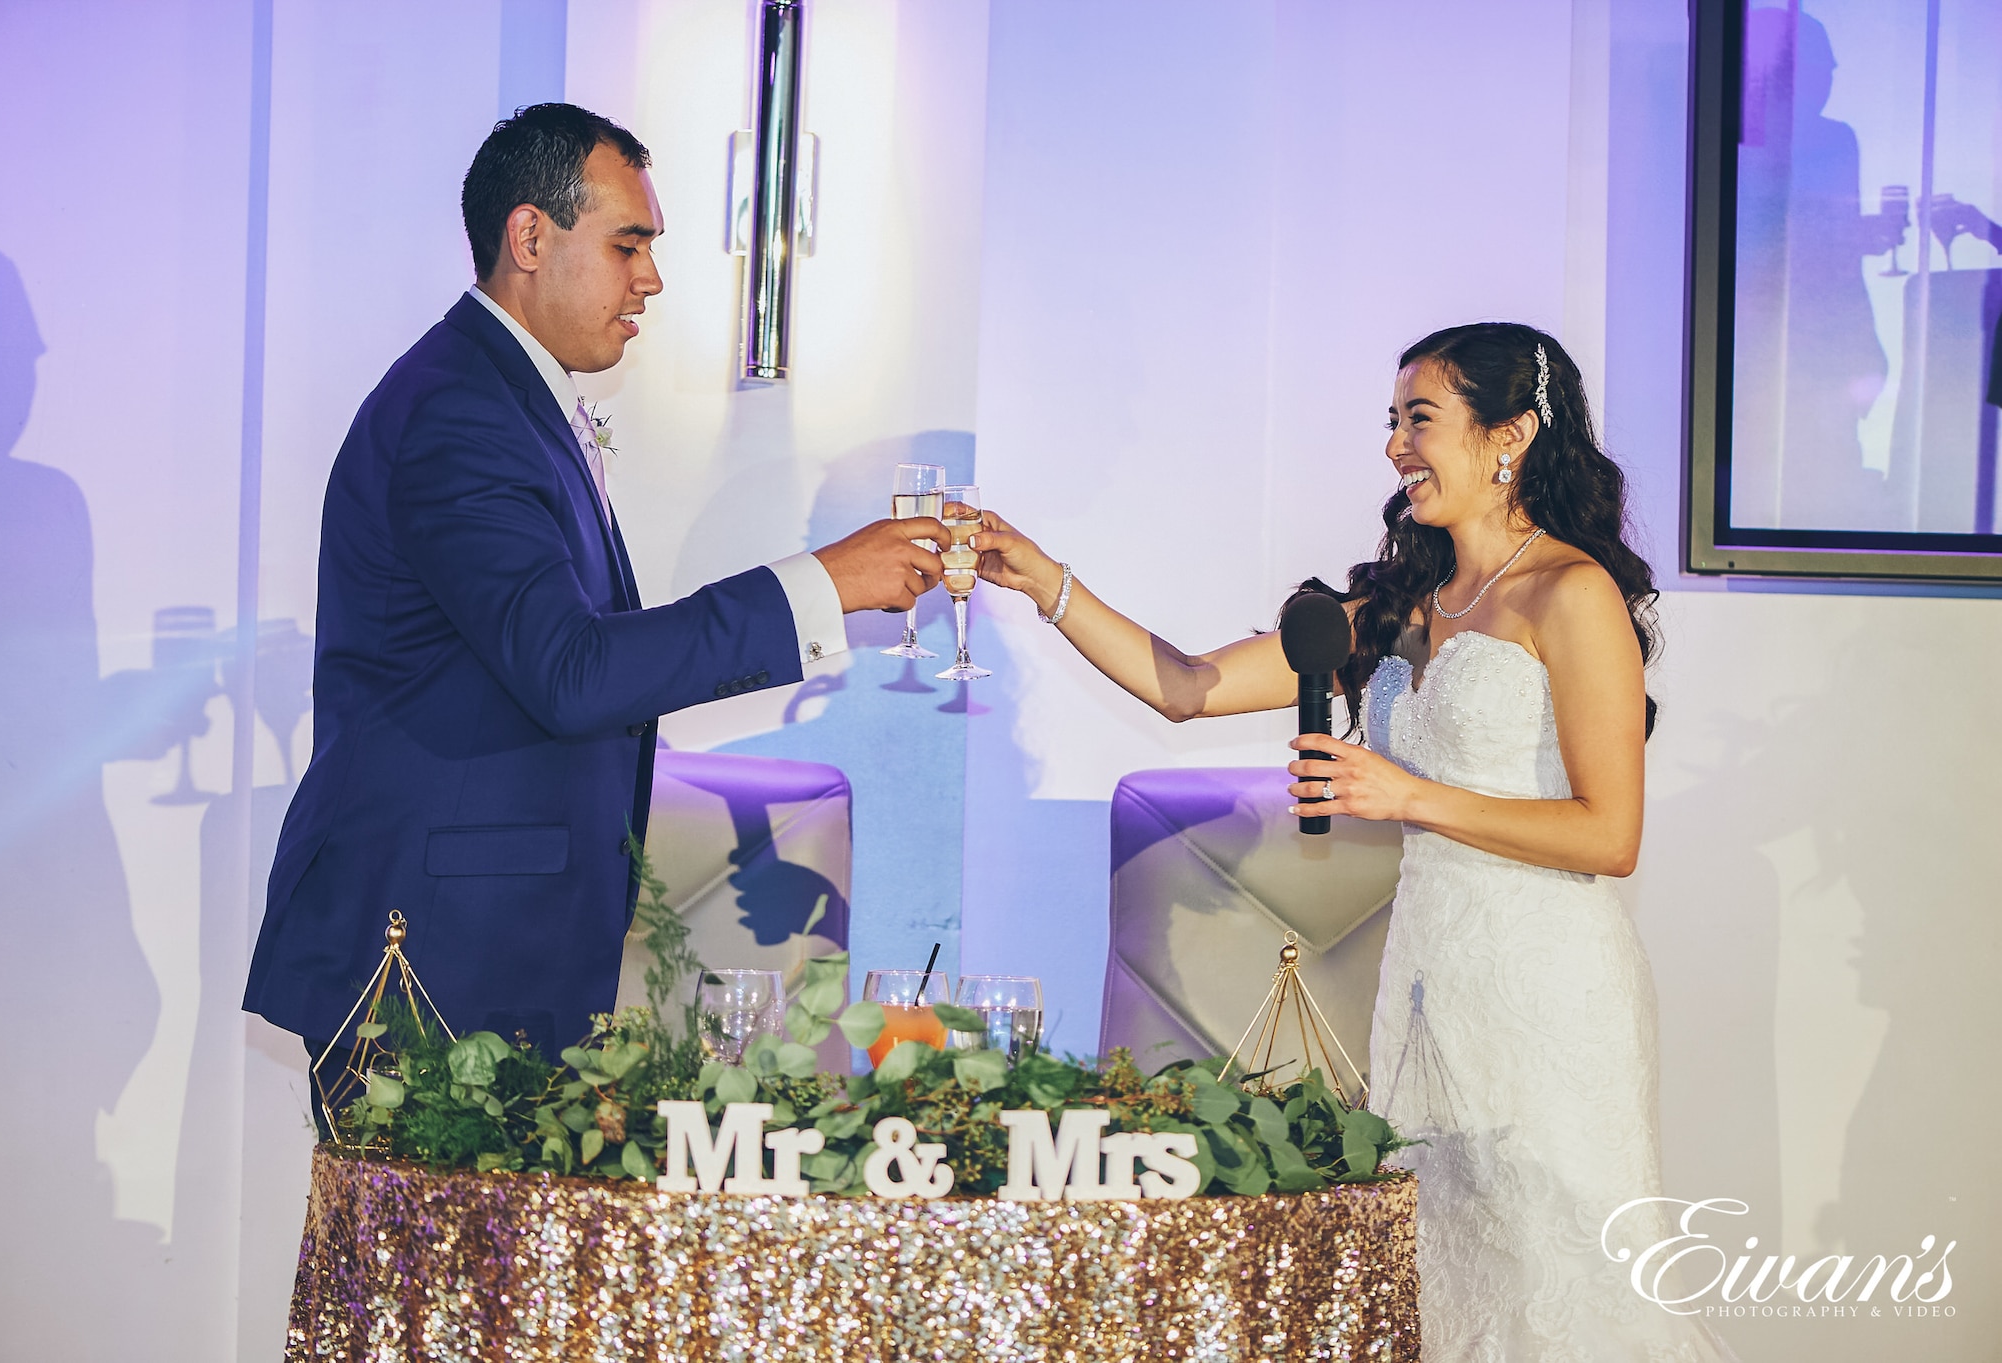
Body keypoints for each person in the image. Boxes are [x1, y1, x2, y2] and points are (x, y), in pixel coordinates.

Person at [974, 322, 1732, 1358]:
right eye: (1391, 423)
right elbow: (1187, 687)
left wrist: (1409, 794)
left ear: (1506, 436)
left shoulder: (1570, 593)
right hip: (1426, 983)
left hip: (1549, 992)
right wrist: (1045, 582)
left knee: (1566, 1290)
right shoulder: (1400, 606)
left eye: (1418, 420)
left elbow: (1608, 833)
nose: (1393, 449)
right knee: (1440, 1285)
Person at [242, 104, 945, 1131]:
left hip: (491, 948)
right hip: (432, 963)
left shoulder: (501, 397)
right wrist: (817, 584)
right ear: (531, 238)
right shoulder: (457, 411)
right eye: (629, 244)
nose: (651, 279)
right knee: (431, 1290)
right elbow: (569, 672)